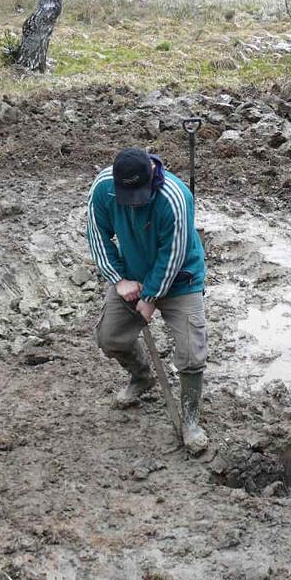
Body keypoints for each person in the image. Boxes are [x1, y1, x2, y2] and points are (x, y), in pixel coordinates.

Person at [87, 147, 209, 454]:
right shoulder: (103, 189)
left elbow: (174, 254)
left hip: (181, 278)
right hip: (132, 276)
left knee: (192, 354)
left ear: (153, 176)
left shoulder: (175, 198)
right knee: (110, 337)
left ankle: (191, 419)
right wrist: (119, 280)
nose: (134, 203)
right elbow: (97, 236)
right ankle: (142, 377)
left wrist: (151, 296)